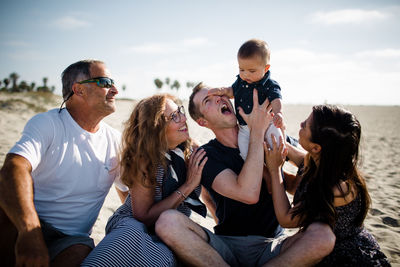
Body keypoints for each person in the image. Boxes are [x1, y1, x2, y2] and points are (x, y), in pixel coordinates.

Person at [155, 83, 336, 266]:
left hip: (273, 246)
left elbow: (313, 171)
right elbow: (248, 194)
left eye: (219, 94)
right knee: (167, 222)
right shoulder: (207, 154)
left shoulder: (268, 133)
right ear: (202, 121)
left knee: (323, 236)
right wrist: (257, 133)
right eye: (208, 100)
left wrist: (277, 144)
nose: (219, 98)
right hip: (227, 246)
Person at [0, 59, 129, 266]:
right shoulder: (48, 123)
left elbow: (128, 192)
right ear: (78, 90)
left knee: (81, 250)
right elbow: (13, 168)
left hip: (71, 241)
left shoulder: (115, 141)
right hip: (25, 222)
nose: (114, 90)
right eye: (105, 82)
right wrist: (30, 232)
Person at [82, 94, 209, 266]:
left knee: (166, 256)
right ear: (156, 129)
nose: (183, 119)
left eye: (180, 111)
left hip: (171, 231)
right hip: (135, 226)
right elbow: (142, 217)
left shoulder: (192, 150)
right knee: (131, 235)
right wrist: (188, 186)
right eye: (174, 117)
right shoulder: (145, 160)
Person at [264, 104, 390, 266]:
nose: (300, 124)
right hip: (317, 245)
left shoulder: (337, 188)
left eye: (305, 125)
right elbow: (283, 151)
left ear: (316, 147)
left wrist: (274, 171)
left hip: (342, 256)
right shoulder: (320, 160)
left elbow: (286, 219)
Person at [208, 38, 285, 160]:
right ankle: (261, 170)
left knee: (278, 145)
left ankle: (277, 166)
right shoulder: (240, 81)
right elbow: (232, 91)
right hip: (245, 128)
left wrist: (278, 113)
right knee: (245, 153)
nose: (245, 74)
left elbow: (276, 99)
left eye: (252, 71)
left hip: (268, 123)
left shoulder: (269, 84)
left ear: (266, 68)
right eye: (241, 69)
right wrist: (223, 91)